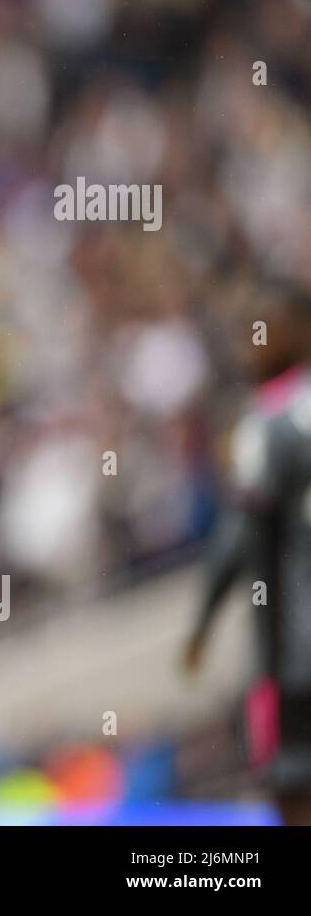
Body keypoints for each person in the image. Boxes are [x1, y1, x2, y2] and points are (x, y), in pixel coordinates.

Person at [184, 277, 311, 826]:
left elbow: (238, 535)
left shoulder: (264, 422)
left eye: (259, 329)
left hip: (291, 654)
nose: (248, 341)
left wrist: (203, 622)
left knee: (290, 785)